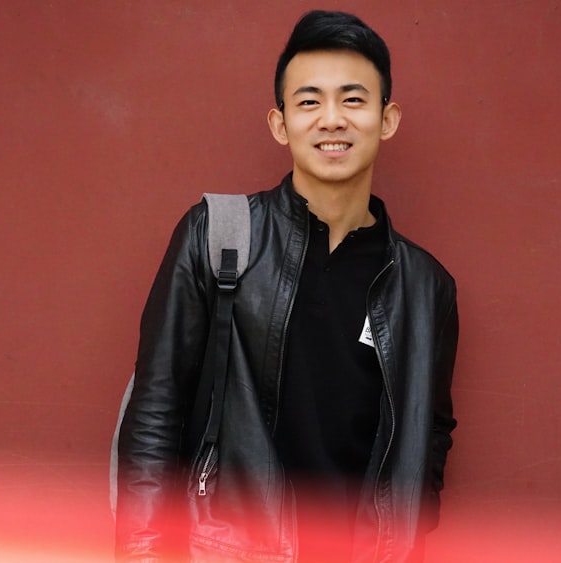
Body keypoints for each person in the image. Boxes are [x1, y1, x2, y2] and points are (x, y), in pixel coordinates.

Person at [115, 10, 458, 563]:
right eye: (308, 102)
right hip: (226, 549)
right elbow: (157, 407)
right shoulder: (218, 236)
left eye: (352, 100)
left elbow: (431, 431)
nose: (331, 120)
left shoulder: (425, 288)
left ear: (386, 119)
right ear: (280, 124)